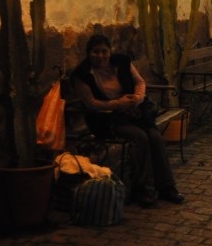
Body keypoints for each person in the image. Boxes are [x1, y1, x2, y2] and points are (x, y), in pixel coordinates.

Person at [72, 34, 184, 207]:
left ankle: (167, 187)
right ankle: (143, 188)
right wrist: (119, 103)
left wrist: (138, 98)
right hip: (106, 119)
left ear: (110, 51)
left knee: (155, 136)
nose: (100, 55)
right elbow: (91, 103)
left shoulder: (122, 62)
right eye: (95, 52)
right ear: (89, 53)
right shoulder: (82, 74)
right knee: (140, 137)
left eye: (104, 51)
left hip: (134, 113)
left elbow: (139, 82)